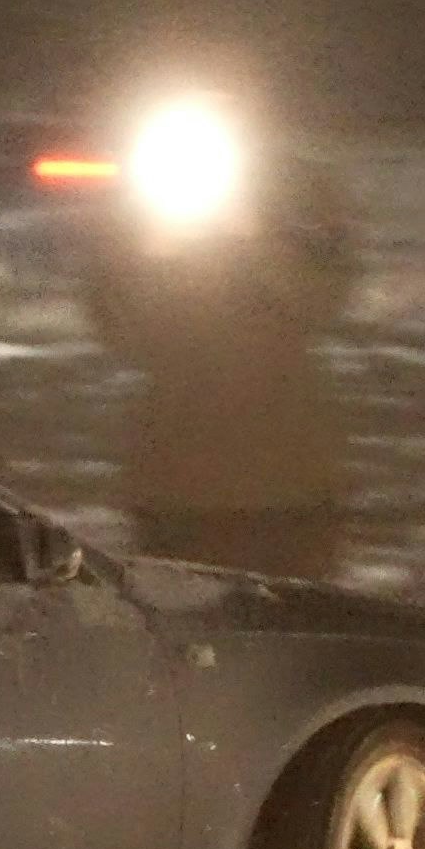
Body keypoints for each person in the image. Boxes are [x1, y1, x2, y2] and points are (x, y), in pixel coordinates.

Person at [81, 139, 354, 580]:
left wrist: (256, 237)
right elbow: (118, 329)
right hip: (181, 488)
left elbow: (326, 300)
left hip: (290, 486)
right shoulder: (140, 213)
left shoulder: (300, 190)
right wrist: (150, 249)